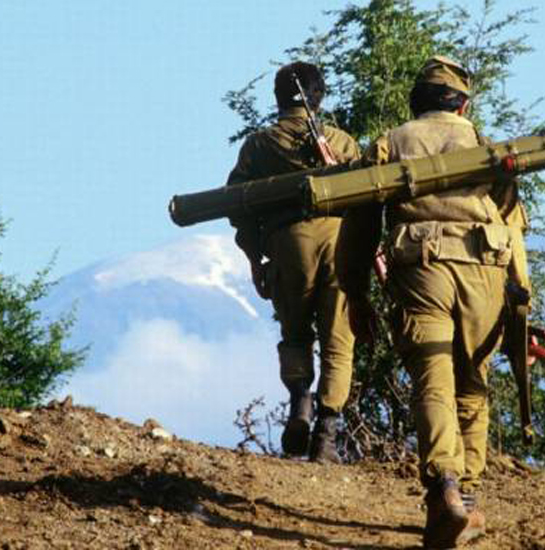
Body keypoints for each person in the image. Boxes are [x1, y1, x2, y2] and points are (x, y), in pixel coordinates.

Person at [337, 56, 528, 547]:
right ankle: (467, 498)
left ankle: (445, 485)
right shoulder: (485, 145)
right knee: (472, 383)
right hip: (486, 272)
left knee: (433, 380)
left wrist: (354, 292)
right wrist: (521, 305)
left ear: (417, 102)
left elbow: (360, 224)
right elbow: (512, 226)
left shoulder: (390, 142)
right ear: (462, 102)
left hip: (422, 269)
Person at [226, 61, 360, 463]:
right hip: (340, 243)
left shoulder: (258, 146)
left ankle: (300, 402)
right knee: (339, 340)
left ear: (278, 98)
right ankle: (327, 436)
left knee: (297, 333)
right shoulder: (344, 142)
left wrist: (254, 258)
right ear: (320, 96)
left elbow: (239, 208)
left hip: (288, 244)